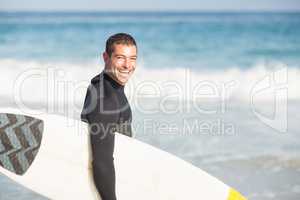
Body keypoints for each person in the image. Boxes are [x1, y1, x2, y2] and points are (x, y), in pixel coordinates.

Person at [81, 33, 137, 200]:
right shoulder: (105, 100)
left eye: (132, 58)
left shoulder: (106, 84)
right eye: (120, 58)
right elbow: (101, 162)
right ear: (106, 57)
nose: (128, 65)